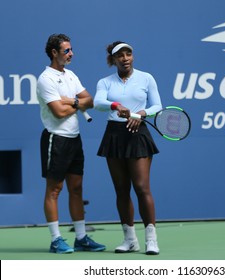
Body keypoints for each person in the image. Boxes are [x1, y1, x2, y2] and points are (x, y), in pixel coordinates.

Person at [37, 33, 106, 254]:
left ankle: (81, 237)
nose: (71, 54)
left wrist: (70, 101)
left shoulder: (71, 75)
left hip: (74, 139)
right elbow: (58, 113)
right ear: (54, 52)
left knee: (76, 189)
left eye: (71, 50)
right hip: (55, 139)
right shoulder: (45, 79)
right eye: (66, 50)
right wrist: (77, 103)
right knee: (54, 190)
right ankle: (56, 239)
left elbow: (91, 101)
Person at [94, 41, 162, 255]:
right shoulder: (105, 82)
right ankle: (130, 239)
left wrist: (140, 114)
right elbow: (98, 102)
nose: (125, 58)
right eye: (120, 55)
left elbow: (157, 105)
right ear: (113, 60)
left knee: (142, 187)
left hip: (138, 134)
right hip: (114, 135)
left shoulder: (146, 78)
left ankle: (151, 239)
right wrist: (116, 106)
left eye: (128, 54)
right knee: (121, 190)